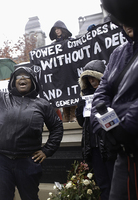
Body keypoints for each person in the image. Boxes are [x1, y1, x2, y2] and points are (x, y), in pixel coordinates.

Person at [0, 51, 63, 200]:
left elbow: (57, 128)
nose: (22, 79)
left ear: (33, 81)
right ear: (13, 81)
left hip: (28, 163)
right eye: (18, 77)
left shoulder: (42, 104)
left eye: (26, 77)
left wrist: (47, 150)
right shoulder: (1, 98)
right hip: (1, 162)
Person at [90, 22, 138, 199]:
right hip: (124, 154)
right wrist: (109, 128)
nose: (126, 24)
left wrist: (126, 128)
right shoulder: (118, 53)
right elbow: (101, 94)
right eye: (122, 20)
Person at [75, 60, 114, 200]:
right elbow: (81, 122)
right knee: (103, 185)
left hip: (109, 146)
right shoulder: (85, 98)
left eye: (94, 77)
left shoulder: (110, 93)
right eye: (88, 79)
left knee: (115, 184)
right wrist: (80, 106)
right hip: (93, 148)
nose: (92, 81)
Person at [49, 20, 76, 122]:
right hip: (60, 74)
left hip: (70, 72)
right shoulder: (53, 45)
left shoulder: (71, 41)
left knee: (72, 92)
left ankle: (73, 115)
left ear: (63, 29)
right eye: (55, 30)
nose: (57, 31)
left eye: (58, 29)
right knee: (63, 94)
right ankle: (66, 116)